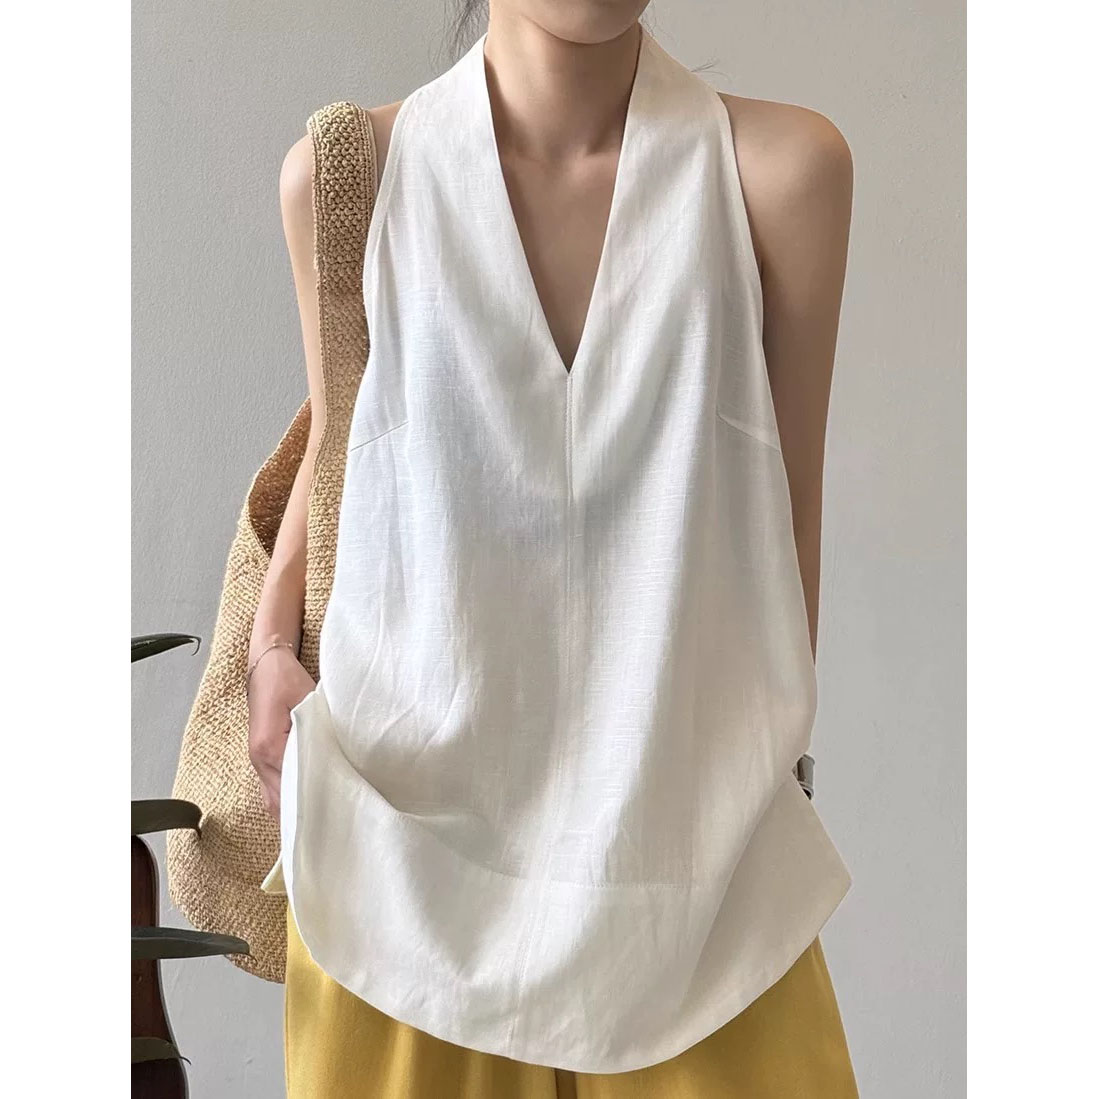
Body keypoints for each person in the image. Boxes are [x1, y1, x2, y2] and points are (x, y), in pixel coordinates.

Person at [247, 2, 857, 1095]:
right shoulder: (349, 178)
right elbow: (346, 438)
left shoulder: (783, 175)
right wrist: (266, 651)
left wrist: (769, 764)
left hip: (697, 888)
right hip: (399, 875)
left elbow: (787, 510)